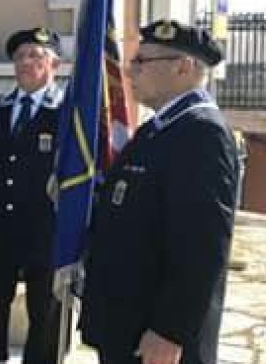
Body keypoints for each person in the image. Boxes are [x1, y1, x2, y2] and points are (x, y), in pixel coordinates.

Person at [81, 19, 239, 364]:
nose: (129, 70)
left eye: (142, 61)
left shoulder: (201, 135)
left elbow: (201, 246)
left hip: (155, 338)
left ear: (183, 67)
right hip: (128, 324)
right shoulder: (159, 129)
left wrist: (171, 329)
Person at [0, 27, 64, 364]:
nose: (25, 62)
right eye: (19, 56)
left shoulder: (67, 112)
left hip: (45, 228)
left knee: (45, 310)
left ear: (54, 64)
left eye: (34, 55)